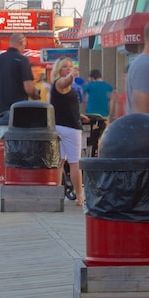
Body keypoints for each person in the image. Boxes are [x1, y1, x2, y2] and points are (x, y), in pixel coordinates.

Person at [49, 58, 84, 206]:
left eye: (70, 66)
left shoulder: (56, 86)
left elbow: (64, 106)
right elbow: (66, 82)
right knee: (75, 162)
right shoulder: (60, 83)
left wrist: (79, 114)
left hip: (59, 127)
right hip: (70, 128)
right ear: (58, 69)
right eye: (65, 67)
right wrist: (72, 76)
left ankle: (57, 193)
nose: (69, 69)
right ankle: (79, 196)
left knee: (60, 162)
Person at [0, 33, 39, 117]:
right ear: (21, 42)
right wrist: (35, 95)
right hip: (17, 112)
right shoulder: (23, 60)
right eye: (25, 44)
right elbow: (29, 89)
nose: (24, 48)